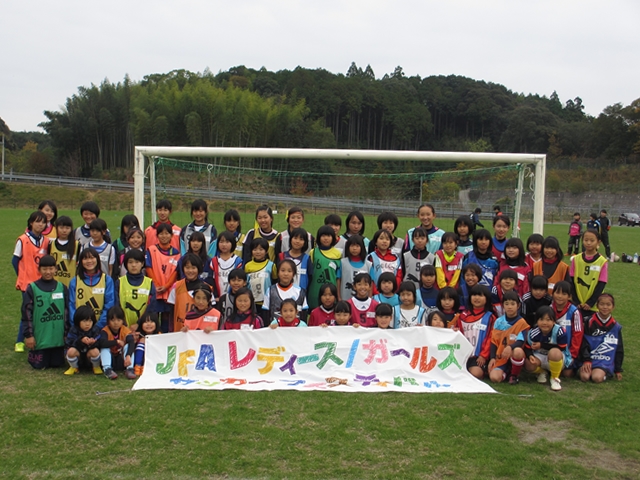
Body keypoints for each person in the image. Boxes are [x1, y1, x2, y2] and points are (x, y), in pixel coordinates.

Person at [22, 255, 68, 370]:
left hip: (58, 340)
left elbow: (67, 312)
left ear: (56, 269)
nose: (48, 272)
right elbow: (26, 314)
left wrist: (67, 333)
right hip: (40, 339)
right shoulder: (32, 288)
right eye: (45, 269)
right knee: (39, 365)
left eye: (51, 269)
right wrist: (29, 335)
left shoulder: (62, 287)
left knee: (57, 364)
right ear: (39, 270)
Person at [13, 210, 50, 352]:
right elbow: (14, 260)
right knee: (27, 312)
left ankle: (37, 338)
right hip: (27, 284)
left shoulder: (46, 241)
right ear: (31, 223)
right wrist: (22, 275)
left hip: (41, 283)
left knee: (40, 312)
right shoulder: (22, 239)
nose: (40, 224)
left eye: (43, 222)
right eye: (37, 221)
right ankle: (19, 341)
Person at [579, 293, 623, 383]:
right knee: (584, 377)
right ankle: (580, 368)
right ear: (597, 306)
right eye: (602, 304)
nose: (605, 307)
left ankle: (606, 374)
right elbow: (583, 342)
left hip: (604, 360)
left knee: (597, 378)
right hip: (590, 357)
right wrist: (586, 360)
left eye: (608, 304)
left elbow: (619, 348)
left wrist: (617, 369)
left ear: (613, 307)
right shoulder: (588, 322)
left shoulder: (616, 326)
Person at [145, 223, 181, 333]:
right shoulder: (151, 250)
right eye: (161, 233)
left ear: (171, 235)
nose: (164, 236)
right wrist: (155, 284)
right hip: (155, 290)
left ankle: (165, 338)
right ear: (157, 235)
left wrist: (166, 286)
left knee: (167, 318)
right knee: (153, 317)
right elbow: (148, 267)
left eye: (167, 233)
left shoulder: (176, 253)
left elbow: (175, 272)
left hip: (168, 291)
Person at [488, 291, 529, 385]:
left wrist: (510, 347)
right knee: (494, 378)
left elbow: (520, 341)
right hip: (501, 356)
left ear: (518, 306)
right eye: (506, 304)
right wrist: (492, 358)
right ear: (503, 306)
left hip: (513, 354)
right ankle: (506, 372)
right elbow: (494, 341)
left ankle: (514, 376)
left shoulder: (521, 322)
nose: (509, 307)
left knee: (518, 351)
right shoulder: (498, 321)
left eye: (512, 304)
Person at [455, 284, 495, 380]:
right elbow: (457, 334)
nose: (476, 298)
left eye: (480, 295)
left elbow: (491, 338)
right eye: (474, 295)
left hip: (478, 356)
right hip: (463, 354)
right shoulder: (462, 316)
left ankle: (482, 370)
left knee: (476, 374)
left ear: (486, 299)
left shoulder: (490, 317)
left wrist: (483, 356)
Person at [69, 247, 115, 329]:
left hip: (101, 328)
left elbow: (109, 304)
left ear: (97, 259)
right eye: (85, 258)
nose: (89, 261)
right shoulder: (75, 281)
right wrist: (78, 325)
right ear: (81, 261)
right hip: (80, 329)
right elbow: (71, 305)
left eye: (92, 258)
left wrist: (98, 326)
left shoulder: (106, 280)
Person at [524, 306, 567, 391]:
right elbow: (527, 347)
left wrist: (542, 345)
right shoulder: (533, 332)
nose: (544, 323)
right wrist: (530, 356)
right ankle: (541, 372)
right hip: (540, 356)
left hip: (557, 358)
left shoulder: (560, 331)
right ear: (537, 321)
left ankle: (554, 378)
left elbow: (562, 347)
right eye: (541, 319)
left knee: (554, 352)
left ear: (554, 321)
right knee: (528, 363)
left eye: (548, 320)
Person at [570, 229, 607, 320]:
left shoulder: (602, 261)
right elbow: (571, 280)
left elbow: (601, 284)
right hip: (577, 303)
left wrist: (591, 303)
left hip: (592, 305)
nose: (588, 243)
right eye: (586, 240)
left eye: (592, 240)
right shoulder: (576, 259)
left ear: (599, 242)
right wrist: (576, 300)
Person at [167, 254, 210, 333]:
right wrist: (171, 331)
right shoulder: (176, 286)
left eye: (193, 268)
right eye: (187, 267)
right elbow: (171, 312)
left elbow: (211, 312)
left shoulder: (207, 288)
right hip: (179, 332)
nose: (190, 271)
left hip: (199, 334)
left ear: (199, 269)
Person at [115, 249, 156, 329]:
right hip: (123, 326)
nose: (133, 265)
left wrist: (139, 324)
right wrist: (123, 323)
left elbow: (151, 306)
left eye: (137, 262)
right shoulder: (119, 282)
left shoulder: (149, 283)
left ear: (142, 264)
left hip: (144, 327)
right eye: (130, 262)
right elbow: (116, 304)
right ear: (126, 264)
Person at [550, 281, 583, 378]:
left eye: (564, 294)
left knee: (566, 374)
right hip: (551, 348)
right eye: (557, 293)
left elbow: (578, 334)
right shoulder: (549, 309)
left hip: (568, 351)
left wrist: (572, 354)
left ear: (569, 297)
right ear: (553, 294)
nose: (560, 296)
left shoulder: (574, 311)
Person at [262, 259, 308, 325]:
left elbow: (304, 314)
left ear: (294, 273)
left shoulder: (300, 291)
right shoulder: (271, 290)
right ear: (278, 272)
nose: (286, 274)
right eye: (282, 270)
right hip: (276, 331)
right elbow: (266, 312)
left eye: (289, 271)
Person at [307, 226, 342, 310]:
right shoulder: (313, 252)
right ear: (319, 238)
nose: (326, 238)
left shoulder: (338, 254)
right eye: (323, 236)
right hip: (315, 289)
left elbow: (338, 276)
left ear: (333, 238)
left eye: (329, 236)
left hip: (331, 290)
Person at [99, 306, 136, 380]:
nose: (116, 323)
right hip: (110, 359)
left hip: (122, 360)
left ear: (122, 321)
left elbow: (131, 342)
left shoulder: (125, 330)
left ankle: (129, 369)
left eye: (119, 320)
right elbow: (101, 343)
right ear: (108, 321)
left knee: (128, 346)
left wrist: (128, 355)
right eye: (113, 320)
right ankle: (107, 369)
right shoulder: (105, 331)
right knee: (104, 348)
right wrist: (116, 342)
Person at [64, 306, 103, 375]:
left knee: (95, 351)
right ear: (78, 320)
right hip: (79, 357)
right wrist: (80, 340)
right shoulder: (74, 329)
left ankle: (96, 366)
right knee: (71, 351)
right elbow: (68, 343)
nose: (87, 324)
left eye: (90, 321)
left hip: (89, 358)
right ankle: (74, 367)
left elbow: (101, 342)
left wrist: (93, 342)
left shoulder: (95, 329)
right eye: (84, 321)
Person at [210, 230, 243, 300]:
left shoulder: (238, 261)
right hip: (217, 299)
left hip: (234, 298)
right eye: (221, 242)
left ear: (233, 244)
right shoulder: (213, 262)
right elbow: (211, 281)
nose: (224, 245)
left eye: (227, 242)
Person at [244, 237, 275, 310]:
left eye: (261, 249)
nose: (258, 252)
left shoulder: (271, 265)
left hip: (266, 301)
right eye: (255, 249)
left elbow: (274, 281)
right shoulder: (248, 266)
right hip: (252, 301)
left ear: (266, 251)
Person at [277, 227, 312, 292]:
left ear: (305, 242)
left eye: (301, 239)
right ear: (290, 239)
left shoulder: (307, 259)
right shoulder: (282, 256)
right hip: (283, 294)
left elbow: (310, 278)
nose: (297, 241)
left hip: (300, 296)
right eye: (295, 238)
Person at [339, 234, 371, 301]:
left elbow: (371, 283)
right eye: (352, 246)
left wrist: (370, 298)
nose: (354, 248)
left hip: (363, 300)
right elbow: (338, 280)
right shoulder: (342, 263)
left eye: (357, 246)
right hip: (345, 299)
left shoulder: (368, 264)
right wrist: (339, 297)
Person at [49, 216, 78, 288]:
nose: (64, 231)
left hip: (71, 285)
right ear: (56, 228)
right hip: (54, 285)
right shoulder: (51, 244)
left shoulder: (77, 245)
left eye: (67, 228)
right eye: (61, 228)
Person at [133, 311, 161, 376]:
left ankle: (146, 367)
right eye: (145, 322)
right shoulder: (138, 335)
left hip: (154, 359)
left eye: (151, 322)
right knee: (141, 344)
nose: (148, 324)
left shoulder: (159, 335)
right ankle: (138, 366)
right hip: (140, 358)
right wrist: (135, 340)